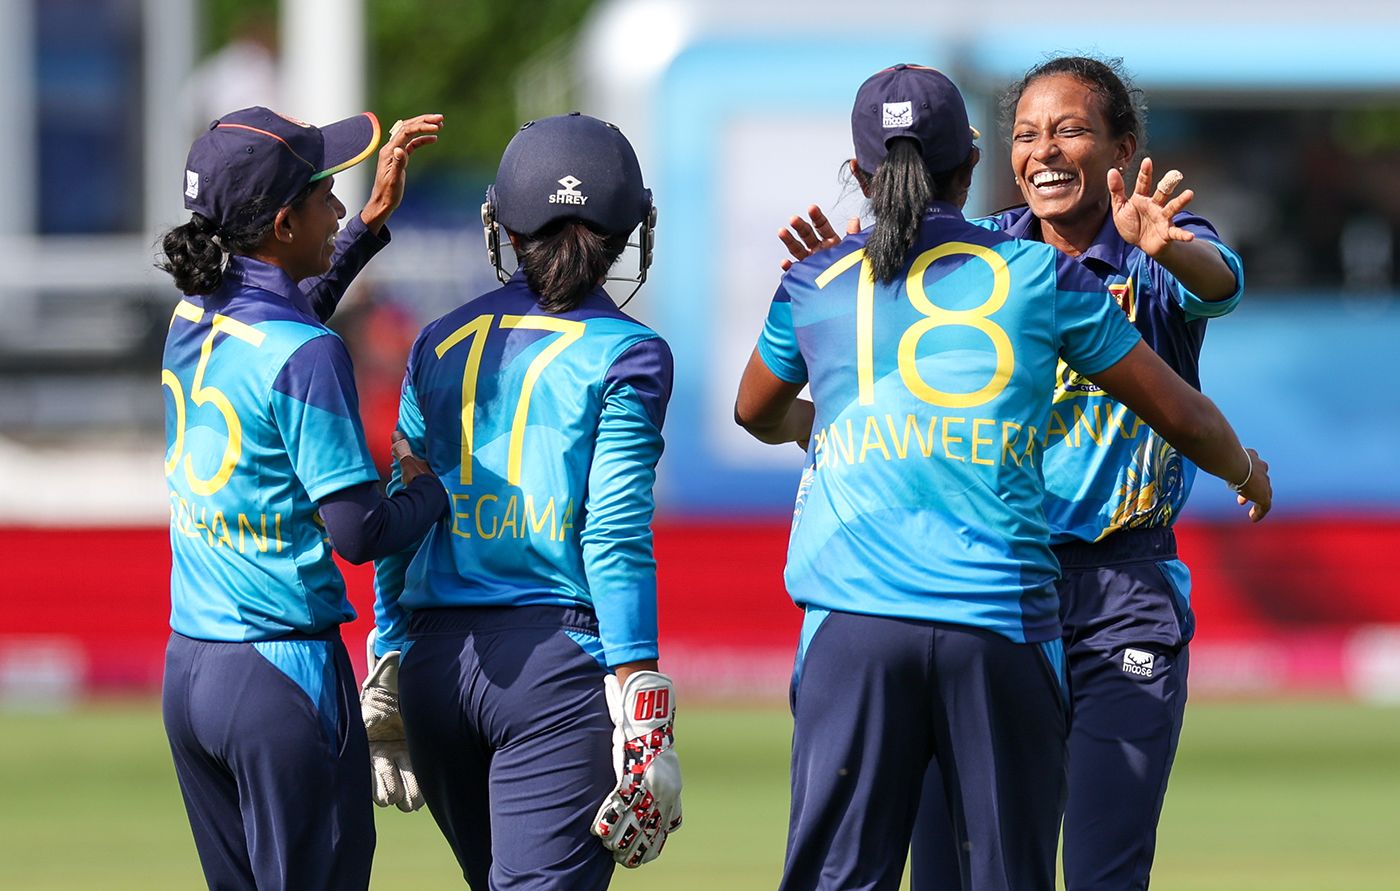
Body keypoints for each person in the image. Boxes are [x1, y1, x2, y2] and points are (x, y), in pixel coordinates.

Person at [737, 63, 1271, 891]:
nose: (1045, 149)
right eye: (1026, 134)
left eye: (1071, 130)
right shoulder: (981, 253)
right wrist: (855, 272)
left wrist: (1170, 248)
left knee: (1102, 869)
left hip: (1117, 589)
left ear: (1122, 148)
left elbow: (1222, 283)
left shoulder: (1156, 237)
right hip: (990, 586)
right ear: (994, 154)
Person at [368, 112, 681, 889]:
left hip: (437, 668)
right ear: (630, 230)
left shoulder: (436, 340)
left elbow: (404, 515)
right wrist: (642, 694)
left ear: (500, 225)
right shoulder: (632, 352)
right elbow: (611, 534)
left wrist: (388, 651)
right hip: (556, 667)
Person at [157, 106, 446, 891]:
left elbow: (278, 327)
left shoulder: (191, 313)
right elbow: (359, 532)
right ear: (283, 224)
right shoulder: (309, 354)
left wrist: (369, 232)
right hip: (280, 678)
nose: (342, 207)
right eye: (326, 195)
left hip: (190, 672)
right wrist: (435, 492)